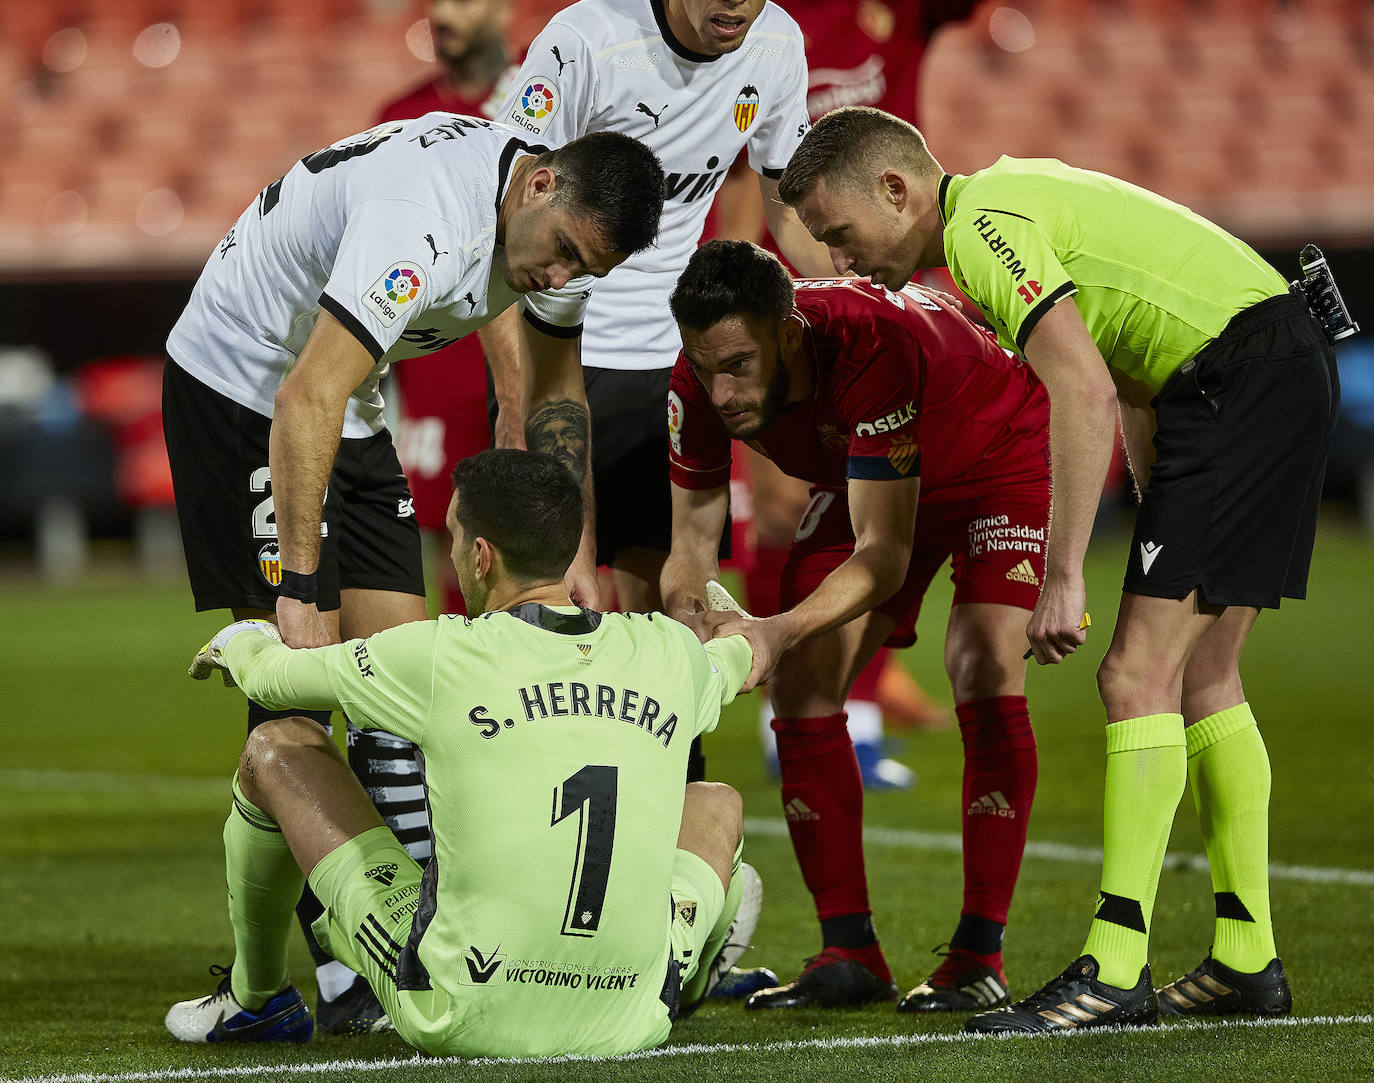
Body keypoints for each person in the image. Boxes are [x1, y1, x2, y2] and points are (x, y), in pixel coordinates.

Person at [776, 106, 1342, 1031]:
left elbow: (1077, 386)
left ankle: (1115, 967)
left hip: (1240, 378)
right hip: (1268, 364)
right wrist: (1169, 501)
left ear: (897, 189)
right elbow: (1130, 375)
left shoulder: (980, 230)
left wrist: (1065, 574)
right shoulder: (1010, 202)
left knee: (1133, 675)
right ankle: (1248, 955)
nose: (840, 260)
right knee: (1206, 676)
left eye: (840, 234)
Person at [163, 117, 664, 1030]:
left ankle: (397, 943)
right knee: (297, 697)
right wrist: (302, 593)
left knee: (395, 692)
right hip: (245, 388)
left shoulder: (546, 228)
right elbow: (300, 395)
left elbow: (546, 378)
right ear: (539, 185)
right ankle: (282, 989)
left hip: (346, 400)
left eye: (583, 271)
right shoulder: (420, 219)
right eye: (560, 256)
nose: (561, 278)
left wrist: (570, 542)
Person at [165, 449, 761, 1057]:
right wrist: (732, 621)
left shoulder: (442, 655)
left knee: (277, 747)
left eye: (453, 536)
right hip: (633, 1020)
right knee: (715, 807)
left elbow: (273, 681)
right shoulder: (668, 651)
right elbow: (746, 653)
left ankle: (256, 998)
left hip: (463, 1009)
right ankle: (682, 980)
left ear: (482, 556)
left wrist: (240, 642)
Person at [661, 239, 1050, 1011]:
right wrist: (694, 617)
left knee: (982, 659)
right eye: (706, 366)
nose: (722, 389)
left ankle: (977, 954)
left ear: (789, 334)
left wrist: (773, 629)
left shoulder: (870, 344)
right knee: (803, 686)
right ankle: (850, 952)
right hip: (872, 471)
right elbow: (689, 549)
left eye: (738, 363)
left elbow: (883, 557)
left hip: (994, 455)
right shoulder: (698, 383)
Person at [486, 0, 835, 624]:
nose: (738, 6)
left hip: (675, 366)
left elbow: (788, 209)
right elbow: (497, 225)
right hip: (559, 354)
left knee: (674, 616)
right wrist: (515, 402)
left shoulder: (777, 42)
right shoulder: (585, 42)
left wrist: (864, 295)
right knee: (543, 610)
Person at [376, 0, 515, 619]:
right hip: (439, 358)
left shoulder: (543, 100)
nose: (443, 14)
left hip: (531, 345)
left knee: (551, 525)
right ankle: (461, 685)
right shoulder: (400, 117)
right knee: (449, 527)